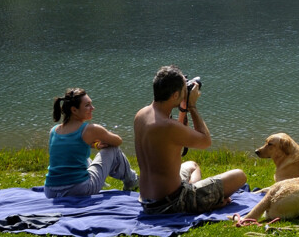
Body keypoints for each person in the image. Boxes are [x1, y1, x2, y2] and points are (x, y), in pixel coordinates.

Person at [133, 65, 246, 215]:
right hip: (171, 203)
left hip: (147, 201)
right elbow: (206, 141)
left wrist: (182, 109)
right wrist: (192, 106)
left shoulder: (141, 115)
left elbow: (175, 142)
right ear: (174, 95)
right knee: (239, 176)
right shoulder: (168, 126)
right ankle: (204, 202)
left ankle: (202, 196)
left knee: (192, 165)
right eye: (183, 89)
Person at [44, 88, 140, 198]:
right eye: (87, 105)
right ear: (74, 110)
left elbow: (73, 145)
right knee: (112, 149)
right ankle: (132, 182)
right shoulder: (91, 130)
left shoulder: (54, 131)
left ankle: (109, 180)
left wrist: (95, 145)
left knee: (83, 158)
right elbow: (118, 141)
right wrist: (102, 138)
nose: (92, 108)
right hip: (79, 189)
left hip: (51, 191)